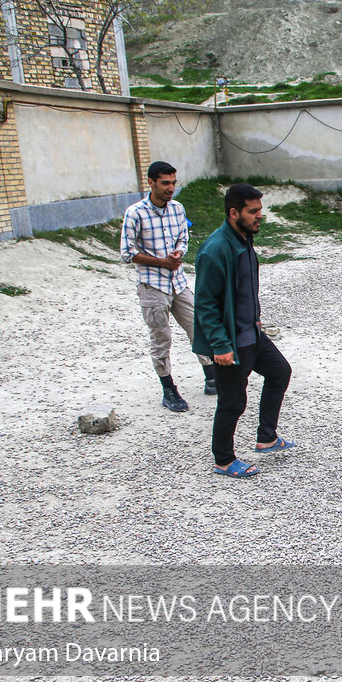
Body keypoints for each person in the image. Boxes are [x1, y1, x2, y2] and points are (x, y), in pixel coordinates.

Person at [192, 183, 295, 478]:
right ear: (234, 212)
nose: (259, 216)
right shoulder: (215, 250)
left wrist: (257, 317)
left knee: (279, 372)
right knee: (232, 402)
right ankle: (224, 460)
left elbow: (246, 288)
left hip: (251, 333)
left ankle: (267, 437)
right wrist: (219, 345)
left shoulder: (243, 240)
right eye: (253, 212)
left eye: (260, 210)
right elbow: (206, 305)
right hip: (231, 342)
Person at [120, 160, 216, 412]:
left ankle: (212, 376)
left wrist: (178, 252)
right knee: (161, 338)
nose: (170, 188)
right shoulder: (135, 213)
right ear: (151, 182)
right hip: (152, 285)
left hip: (179, 281)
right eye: (165, 183)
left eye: (173, 182)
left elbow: (184, 236)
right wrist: (163, 262)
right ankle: (169, 389)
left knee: (200, 326)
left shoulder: (177, 208)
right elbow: (127, 252)